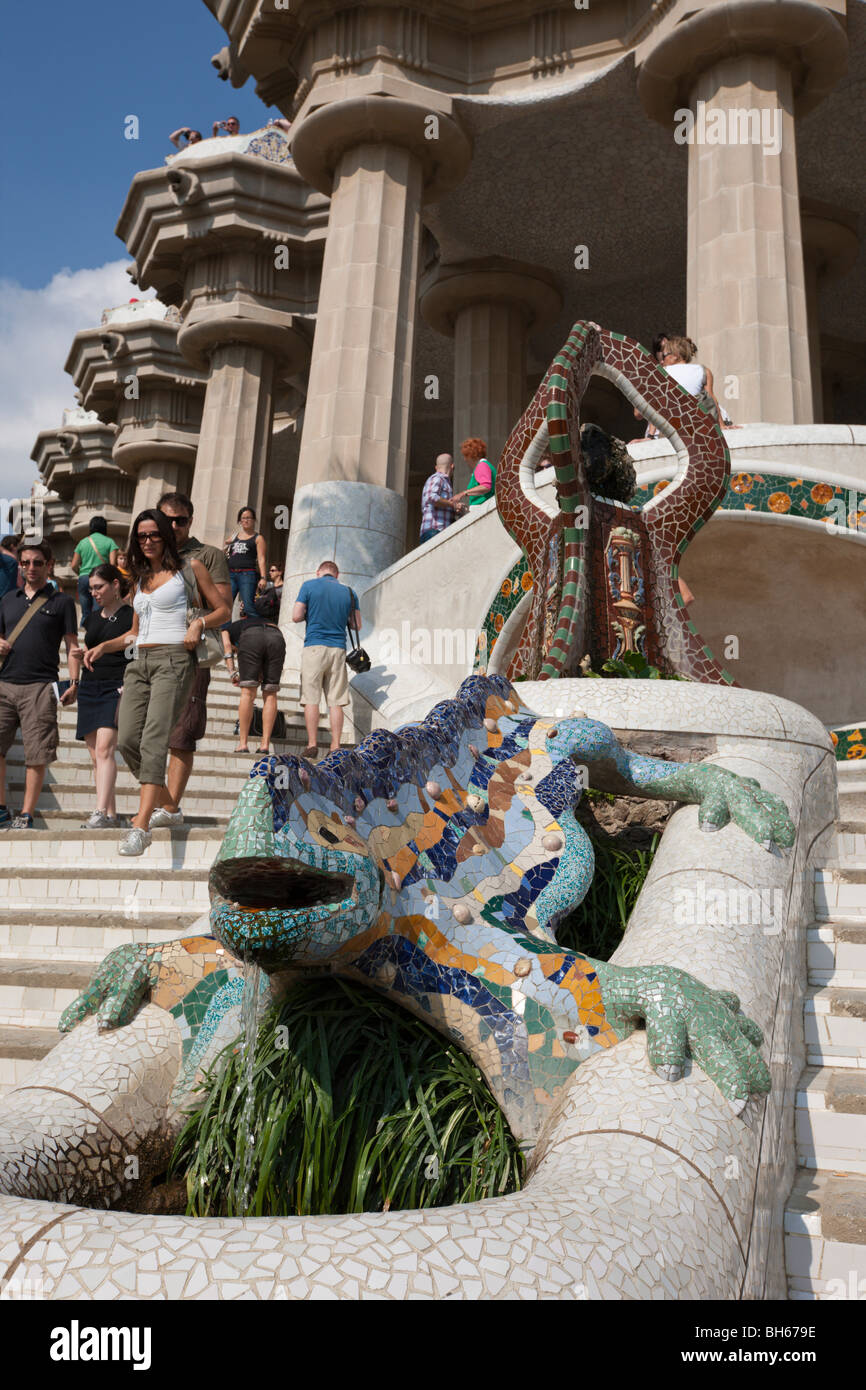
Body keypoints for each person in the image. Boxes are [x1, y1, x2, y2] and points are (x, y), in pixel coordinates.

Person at [86, 510, 228, 856]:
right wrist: (105, 645)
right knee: (128, 740)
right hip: (140, 663)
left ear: (165, 536)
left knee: (153, 740)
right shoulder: (140, 578)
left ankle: (141, 825)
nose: (147, 541)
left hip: (174, 660)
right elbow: (135, 632)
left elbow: (223, 610)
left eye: (153, 535)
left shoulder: (190, 569)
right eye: (141, 536)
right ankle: (171, 808)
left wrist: (198, 625)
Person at [151, 492, 232, 828]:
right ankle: (164, 804)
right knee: (138, 733)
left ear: (190, 521)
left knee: (182, 732)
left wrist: (194, 612)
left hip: (189, 654)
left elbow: (224, 607)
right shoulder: (149, 554)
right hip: (152, 652)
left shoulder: (207, 555)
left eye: (180, 520)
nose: (173, 526)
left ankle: (169, 808)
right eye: (166, 520)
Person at [0, 540, 80, 830]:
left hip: (40, 686)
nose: (30, 568)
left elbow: (73, 645)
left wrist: (74, 681)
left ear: (49, 565)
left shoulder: (62, 602)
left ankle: (26, 814)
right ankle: (1, 810)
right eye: (25, 563)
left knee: (36, 753)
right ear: (20, 565)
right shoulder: (8, 599)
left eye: (37, 562)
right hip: (4, 683)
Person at [77, 564, 134, 829]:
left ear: (115, 585)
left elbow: (133, 639)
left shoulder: (130, 614)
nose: (94, 593)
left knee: (105, 749)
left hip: (116, 684)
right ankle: (111, 814)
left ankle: (99, 812)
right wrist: (81, 656)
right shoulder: (91, 617)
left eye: (99, 587)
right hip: (89, 685)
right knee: (95, 756)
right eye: (91, 589)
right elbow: (88, 648)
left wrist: (103, 647)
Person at [292, 561, 361, 760]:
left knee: (311, 698)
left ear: (319, 572)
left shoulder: (308, 586)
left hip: (314, 646)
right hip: (338, 649)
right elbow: (357, 625)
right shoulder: (349, 592)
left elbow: (296, 616)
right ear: (337, 575)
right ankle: (336, 745)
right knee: (336, 701)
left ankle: (312, 744)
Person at [222, 589, 287, 755]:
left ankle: (243, 744)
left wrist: (232, 672)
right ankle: (264, 745)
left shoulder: (234, 626)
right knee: (270, 693)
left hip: (251, 638)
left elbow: (227, 647)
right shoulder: (271, 623)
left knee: (247, 693)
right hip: (276, 636)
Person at [70, 517, 118, 626]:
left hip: (84, 578)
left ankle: (84, 638)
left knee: (85, 612)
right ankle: (97, 637)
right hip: (100, 579)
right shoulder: (110, 542)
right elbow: (112, 565)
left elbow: (73, 565)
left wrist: (81, 573)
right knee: (98, 612)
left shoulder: (82, 542)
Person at [225, 507, 266, 617]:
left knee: (248, 607)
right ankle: (225, 632)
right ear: (239, 521)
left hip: (247, 574)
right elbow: (225, 545)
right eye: (243, 518)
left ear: (254, 520)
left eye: (249, 518)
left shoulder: (258, 538)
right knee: (226, 607)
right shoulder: (234, 536)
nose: (246, 520)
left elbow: (261, 558)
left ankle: (255, 630)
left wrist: (263, 577)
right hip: (231, 574)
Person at [419, 454, 464, 544]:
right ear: (452, 466)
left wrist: (455, 509)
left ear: (436, 467)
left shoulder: (444, 482)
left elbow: (438, 503)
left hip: (436, 531)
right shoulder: (437, 478)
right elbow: (431, 498)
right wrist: (453, 504)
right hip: (434, 531)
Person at [458, 438, 497, 507]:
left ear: (471, 455)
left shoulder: (482, 465)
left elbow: (486, 486)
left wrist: (464, 493)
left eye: (466, 456)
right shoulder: (484, 465)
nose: (465, 459)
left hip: (483, 508)